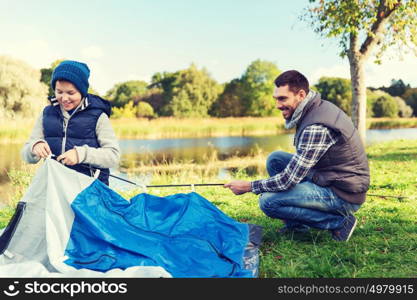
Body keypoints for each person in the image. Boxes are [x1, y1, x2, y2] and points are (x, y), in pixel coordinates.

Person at [224, 70, 370, 242]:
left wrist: (249, 186)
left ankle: (338, 222)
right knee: (276, 159)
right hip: (328, 177)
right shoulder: (314, 108)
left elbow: (288, 180)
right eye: (276, 99)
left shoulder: (316, 125)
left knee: (269, 201)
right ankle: (297, 226)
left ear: (301, 95)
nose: (278, 105)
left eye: (282, 98)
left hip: (344, 193)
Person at [21, 60, 120, 185]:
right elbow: (26, 154)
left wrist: (81, 154)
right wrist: (34, 147)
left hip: (90, 192)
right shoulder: (46, 114)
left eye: (71, 93)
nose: (64, 98)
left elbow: (113, 156)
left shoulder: (99, 116)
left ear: (82, 91)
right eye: (59, 92)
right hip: (56, 188)